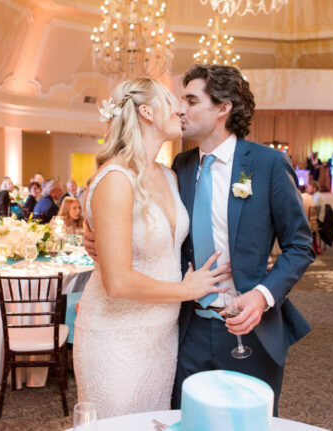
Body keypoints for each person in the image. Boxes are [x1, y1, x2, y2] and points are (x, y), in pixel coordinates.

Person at [73, 77, 229, 418]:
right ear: (146, 111)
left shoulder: (168, 175)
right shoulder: (116, 178)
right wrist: (185, 290)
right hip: (115, 338)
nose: (180, 109)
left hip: (161, 337)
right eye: (172, 100)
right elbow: (117, 283)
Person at [169, 64, 313, 416]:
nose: (180, 109)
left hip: (250, 330)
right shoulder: (181, 165)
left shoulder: (267, 164)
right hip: (189, 328)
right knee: (189, 421)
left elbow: (300, 245)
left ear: (223, 107)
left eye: (190, 100)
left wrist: (262, 297)